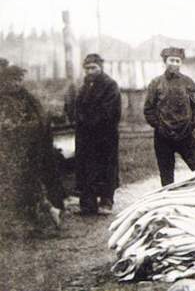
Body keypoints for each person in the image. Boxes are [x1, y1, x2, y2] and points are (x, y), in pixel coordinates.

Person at [0, 58, 65, 227]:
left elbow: (39, 121)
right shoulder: (5, 98)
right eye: (12, 80)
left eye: (18, 80)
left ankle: (47, 211)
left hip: (26, 149)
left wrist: (17, 128)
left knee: (27, 183)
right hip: (10, 148)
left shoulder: (27, 98)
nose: (16, 84)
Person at [144, 47, 195, 186]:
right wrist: (159, 126)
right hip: (163, 137)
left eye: (178, 61)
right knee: (166, 176)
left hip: (185, 135)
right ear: (165, 62)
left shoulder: (188, 82)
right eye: (171, 60)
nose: (174, 64)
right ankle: (168, 204)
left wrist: (193, 124)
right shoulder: (156, 83)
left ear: (181, 63)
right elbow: (148, 109)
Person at [75, 53, 121, 215]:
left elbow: (109, 111)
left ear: (100, 68)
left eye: (93, 68)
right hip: (87, 135)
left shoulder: (110, 85)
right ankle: (88, 203)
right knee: (87, 167)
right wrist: (80, 118)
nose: (90, 71)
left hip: (104, 134)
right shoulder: (84, 86)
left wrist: (89, 121)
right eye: (87, 68)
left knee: (106, 167)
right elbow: (77, 107)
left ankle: (106, 201)